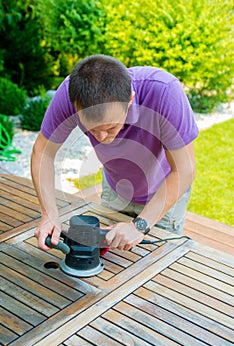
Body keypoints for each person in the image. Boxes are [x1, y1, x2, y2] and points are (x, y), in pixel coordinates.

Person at [31, 54, 198, 252]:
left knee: (158, 269)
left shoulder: (164, 91)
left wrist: (140, 226)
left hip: (164, 192)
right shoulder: (70, 94)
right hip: (115, 187)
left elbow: (184, 169)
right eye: (92, 129)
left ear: (130, 100)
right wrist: (49, 213)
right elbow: (43, 152)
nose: (101, 138)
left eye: (111, 128)